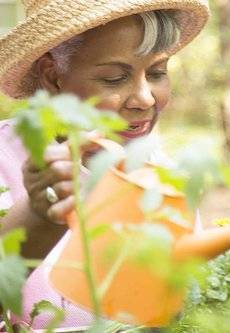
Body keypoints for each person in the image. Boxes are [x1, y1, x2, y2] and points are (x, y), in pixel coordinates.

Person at [0, 0, 209, 328]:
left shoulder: (164, 174)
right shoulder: (5, 161)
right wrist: (38, 214)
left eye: (157, 73)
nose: (145, 99)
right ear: (53, 77)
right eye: (114, 78)